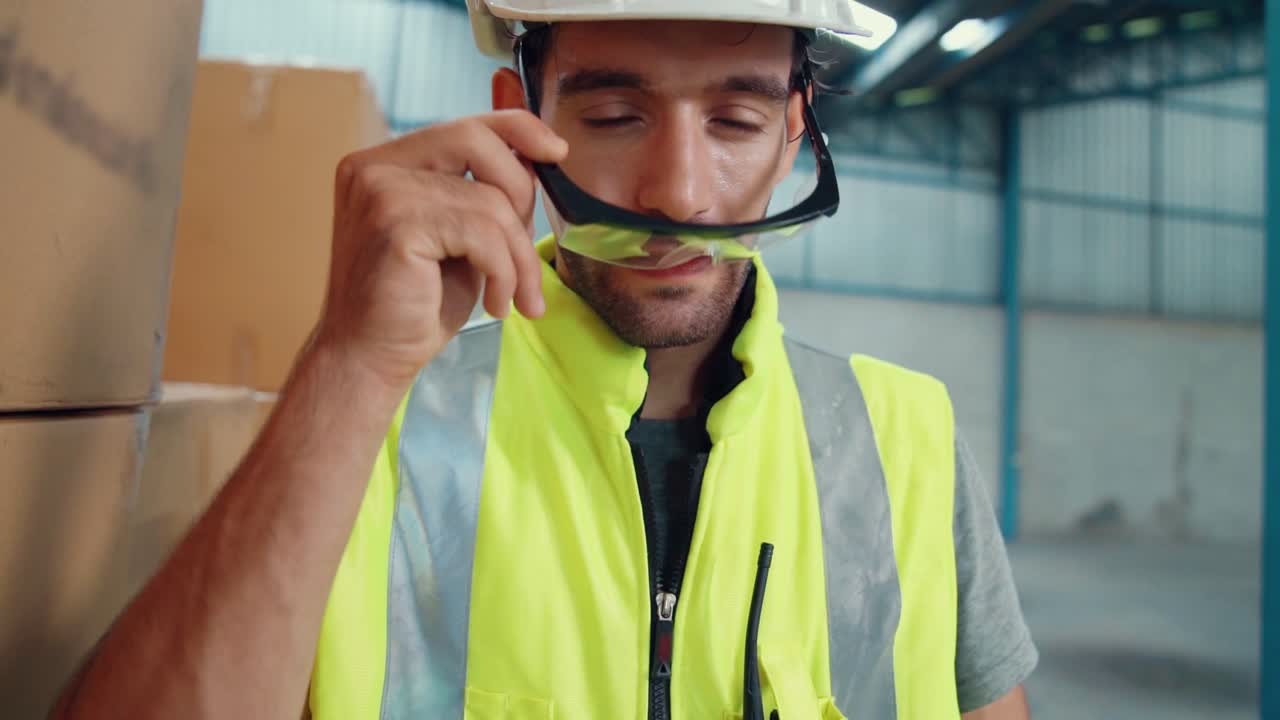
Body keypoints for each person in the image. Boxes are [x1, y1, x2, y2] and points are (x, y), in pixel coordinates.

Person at [50, 1, 1038, 718]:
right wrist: (349, 364)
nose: (676, 194)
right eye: (612, 116)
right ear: (519, 121)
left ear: (790, 135)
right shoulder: (372, 426)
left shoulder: (903, 437)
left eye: (734, 121)